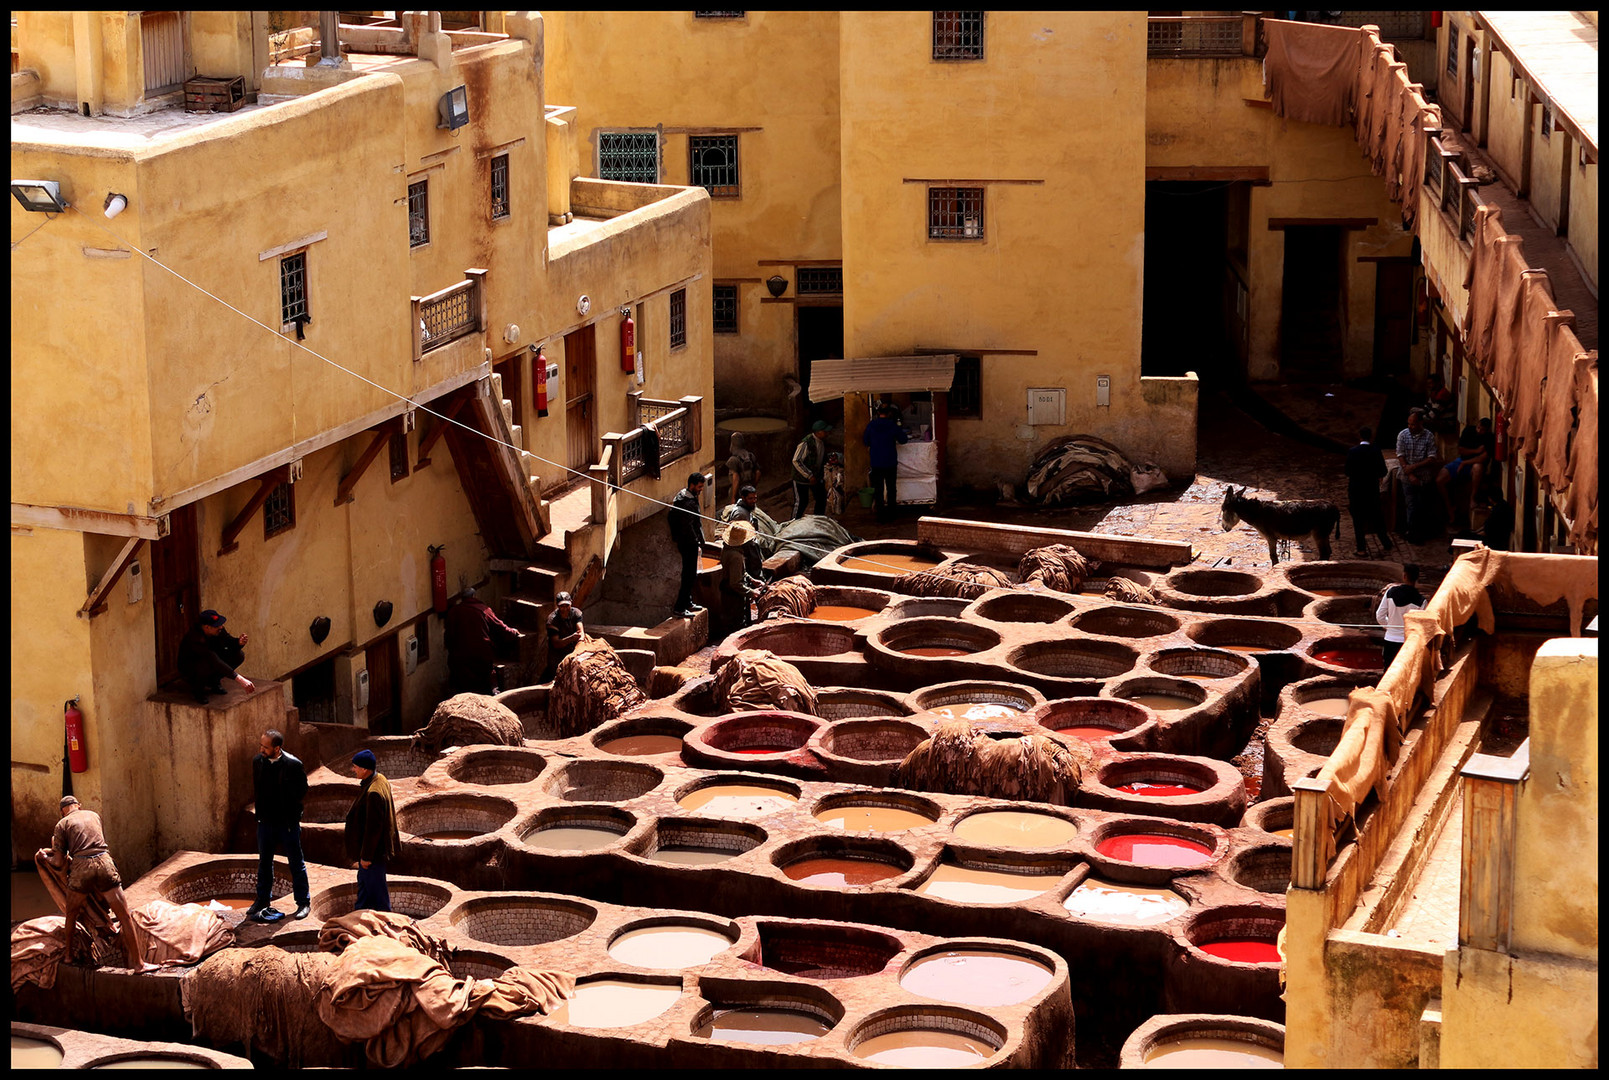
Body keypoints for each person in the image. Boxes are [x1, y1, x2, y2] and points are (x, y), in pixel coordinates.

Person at [37, 796, 155, 972]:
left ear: (63, 811)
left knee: (71, 914)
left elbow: (59, 862)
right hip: (104, 863)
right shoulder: (94, 815)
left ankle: (68, 956)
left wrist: (44, 857)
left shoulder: (62, 824)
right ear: (78, 806)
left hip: (81, 868)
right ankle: (139, 964)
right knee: (125, 917)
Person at [250, 729, 311, 922]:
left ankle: (303, 902)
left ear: (277, 748)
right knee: (264, 863)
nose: (261, 749)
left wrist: (290, 813)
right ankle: (262, 901)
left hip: (287, 824)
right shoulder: (257, 762)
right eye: (261, 745)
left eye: (265, 747)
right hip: (265, 822)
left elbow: (302, 791)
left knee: (296, 863)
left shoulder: (293, 765)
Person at [344, 749, 399, 913]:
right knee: (365, 892)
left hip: (373, 855)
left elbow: (373, 829)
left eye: (356, 767)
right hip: (372, 853)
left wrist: (366, 857)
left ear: (365, 769)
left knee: (378, 896)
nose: (354, 770)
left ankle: (387, 928)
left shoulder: (373, 792)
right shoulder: (379, 779)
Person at [444, 587, 523, 695]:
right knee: (487, 685)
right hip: (480, 657)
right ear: (474, 596)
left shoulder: (454, 611)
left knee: (461, 688)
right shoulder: (482, 609)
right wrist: (512, 632)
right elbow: (500, 627)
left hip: (459, 658)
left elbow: (448, 636)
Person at [177, 609, 254, 704]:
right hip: (192, 668)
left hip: (211, 661)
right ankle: (198, 690)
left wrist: (238, 643)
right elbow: (212, 659)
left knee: (239, 655)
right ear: (207, 627)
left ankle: (214, 682)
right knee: (205, 664)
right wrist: (240, 679)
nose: (221, 627)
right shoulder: (195, 638)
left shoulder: (218, 630)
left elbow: (229, 642)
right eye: (217, 626)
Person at [1343, 426, 1392, 557]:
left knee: (1358, 520)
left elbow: (1347, 471)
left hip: (1356, 491)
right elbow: (1383, 471)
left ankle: (1361, 549)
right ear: (1371, 437)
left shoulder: (1353, 451)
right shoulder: (1375, 451)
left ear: (1359, 436)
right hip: (1372, 490)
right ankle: (1386, 543)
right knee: (1377, 517)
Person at [1395, 407, 1441, 543]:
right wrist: (1409, 473)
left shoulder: (1428, 436)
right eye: (1409, 424)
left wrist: (1414, 467)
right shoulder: (1403, 435)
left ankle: (1423, 532)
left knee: (1423, 505)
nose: (1410, 427)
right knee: (1411, 505)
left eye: (1413, 424)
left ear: (1421, 423)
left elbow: (1432, 457)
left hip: (1424, 478)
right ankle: (1411, 532)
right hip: (1407, 477)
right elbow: (1400, 454)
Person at [1437, 419, 1493, 527]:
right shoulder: (1469, 431)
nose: (1479, 431)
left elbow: (1483, 458)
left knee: (1478, 467)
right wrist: (1475, 451)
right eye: (1478, 428)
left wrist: (1466, 462)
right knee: (1440, 479)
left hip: (1473, 464)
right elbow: (1461, 450)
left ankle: (1473, 498)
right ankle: (1450, 509)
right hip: (1461, 461)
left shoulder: (1489, 438)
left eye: (1482, 430)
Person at [669, 472, 708, 618]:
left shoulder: (685, 496)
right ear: (692, 485)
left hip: (687, 542)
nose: (701, 489)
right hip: (687, 544)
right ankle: (680, 607)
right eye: (699, 487)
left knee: (690, 575)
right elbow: (689, 526)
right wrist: (696, 542)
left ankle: (688, 602)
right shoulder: (687, 503)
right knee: (688, 576)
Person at [862, 404, 910, 522]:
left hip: (876, 462)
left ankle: (880, 515)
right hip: (890, 462)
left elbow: (865, 441)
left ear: (878, 413)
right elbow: (903, 440)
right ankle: (892, 514)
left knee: (878, 489)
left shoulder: (871, 425)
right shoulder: (892, 425)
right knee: (891, 488)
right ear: (889, 414)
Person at [717, 520, 762, 634]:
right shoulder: (736, 556)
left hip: (727, 591)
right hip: (733, 596)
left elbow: (739, 572)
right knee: (736, 625)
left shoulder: (727, 549)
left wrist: (751, 580)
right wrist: (752, 592)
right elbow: (735, 583)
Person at [1375, 564, 1425, 668]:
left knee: (1388, 672)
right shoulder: (1422, 601)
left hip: (1390, 640)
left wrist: (1390, 627)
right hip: (1408, 643)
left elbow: (1380, 616)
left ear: (1404, 576)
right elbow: (1420, 625)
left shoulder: (1390, 592)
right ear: (1417, 578)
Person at [791, 421, 831, 518]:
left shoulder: (821, 442)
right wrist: (809, 475)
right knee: (802, 502)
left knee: (821, 497)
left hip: (816, 477)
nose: (827, 433)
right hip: (801, 478)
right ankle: (792, 523)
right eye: (825, 431)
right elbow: (796, 461)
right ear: (818, 432)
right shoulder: (806, 443)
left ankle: (818, 520)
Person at [545, 591, 585, 676]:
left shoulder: (576, 613)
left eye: (567, 605)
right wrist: (571, 638)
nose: (565, 609)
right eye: (562, 606)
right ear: (557, 606)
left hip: (572, 652)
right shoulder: (552, 621)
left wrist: (580, 641)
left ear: (571, 603)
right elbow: (556, 643)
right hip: (557, 656)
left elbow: (581, 632)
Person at [725, 432, 761, 507]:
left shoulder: (733, 460)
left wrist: (733, 497)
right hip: (749, 488)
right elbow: (758, 472)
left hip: (739, 491)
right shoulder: (750, 456)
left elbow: (736, 478)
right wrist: (753, 486)